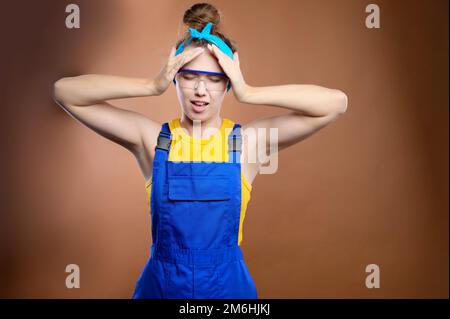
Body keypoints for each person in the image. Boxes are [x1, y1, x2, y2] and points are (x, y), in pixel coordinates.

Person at [53, 3, 348, 299]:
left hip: (228, 292)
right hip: (161, 289)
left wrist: (249, 91)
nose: (201, 90)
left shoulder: (247, 144)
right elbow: (66, 93)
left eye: (215, 78)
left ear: (227, 84)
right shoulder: (152, 140)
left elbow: (335, 103)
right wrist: (151, 85)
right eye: (190, 75)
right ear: (176, 78)